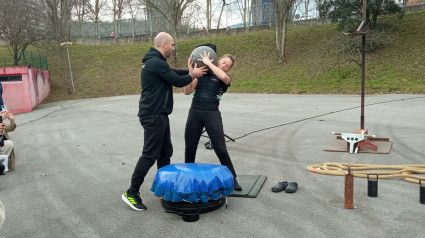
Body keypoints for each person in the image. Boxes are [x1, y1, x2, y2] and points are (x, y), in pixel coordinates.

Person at [122, 32, 208, 211]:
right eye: (173, 45)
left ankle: (165, 187)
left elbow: (174, 73)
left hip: (159, 114)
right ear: (164, 45)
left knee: (165, 153)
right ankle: (131, 192)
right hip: (153, 115)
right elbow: (177, 80)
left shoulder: (157, 63)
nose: (174, 48)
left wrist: (193, 71)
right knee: (150, 154)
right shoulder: (154, 62)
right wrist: (194, 75)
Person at [183, 50, 242, 191]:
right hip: (195, 113)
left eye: (227, 66)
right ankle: (188, 178)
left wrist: (209, 63)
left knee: (220, 148)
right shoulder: (202, 73)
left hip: (212, 114)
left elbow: (223, 76)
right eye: (223, 62)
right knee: (190, 148)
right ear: (218, 59)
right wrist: (190, 72)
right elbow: (187, 91)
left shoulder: (225, 78)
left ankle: (233, 179)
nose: (224, 66)